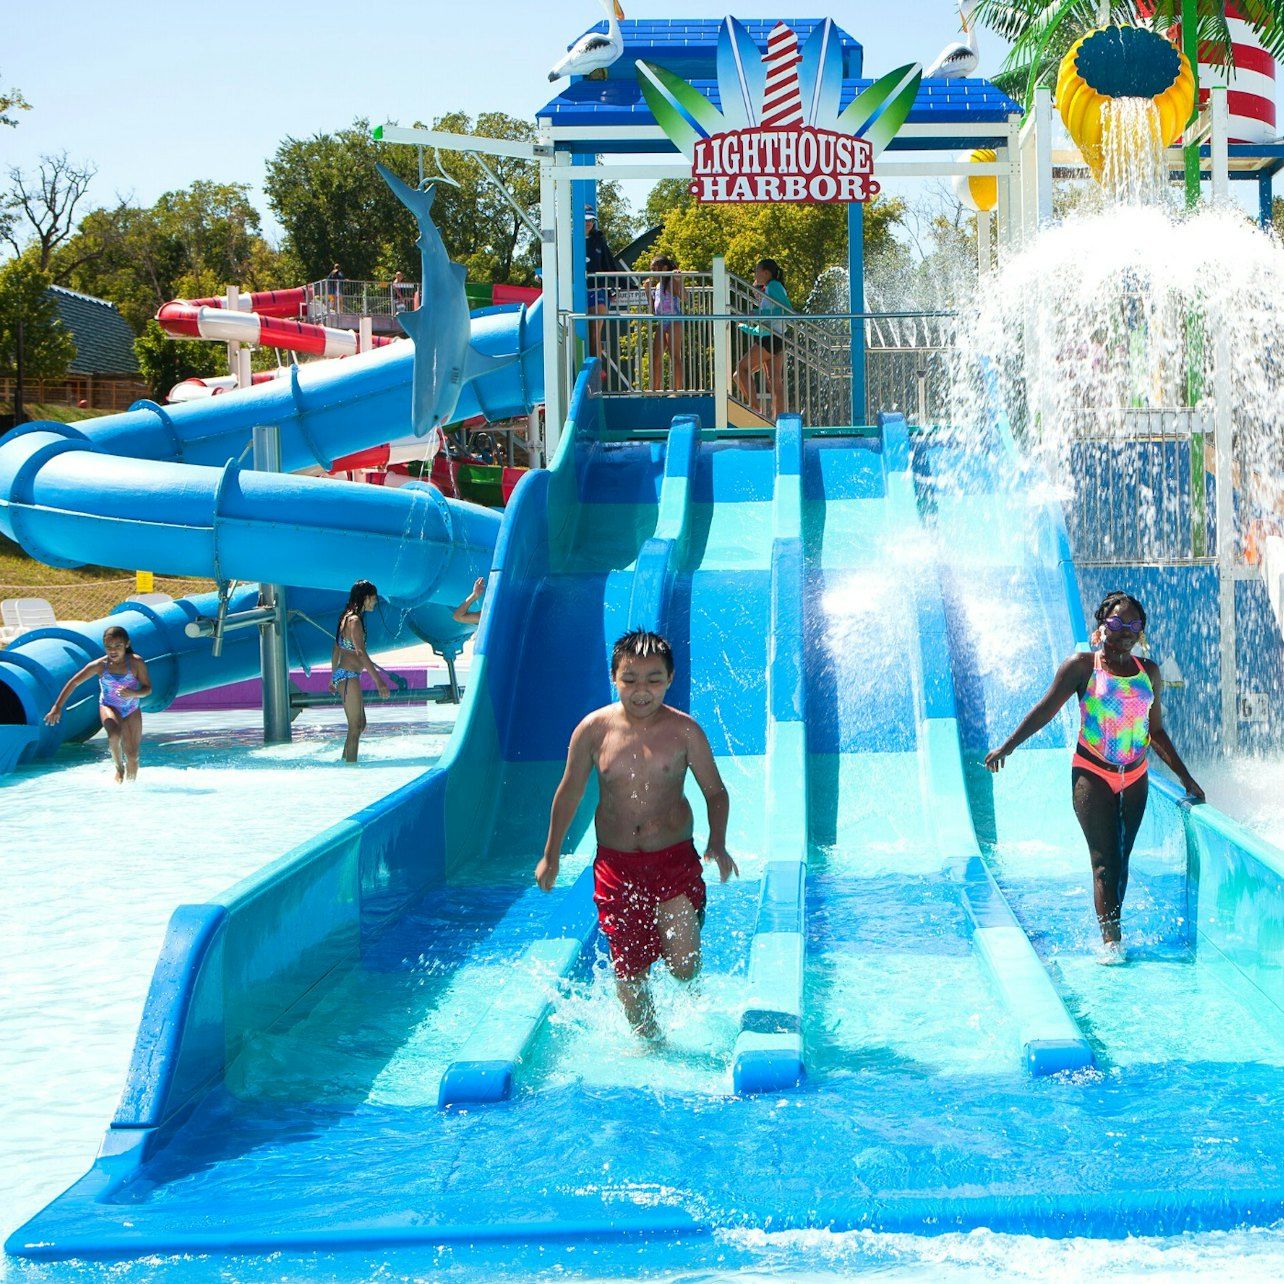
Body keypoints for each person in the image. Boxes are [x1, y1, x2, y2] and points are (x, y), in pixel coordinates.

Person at [535, 630, 738, 1037]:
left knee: (683, 966)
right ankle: (649, 1041)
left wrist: (717, 842)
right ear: (614, 677)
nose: (641, 690)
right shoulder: (594, 730)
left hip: (673, 861)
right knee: (629, 967)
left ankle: (688, 988)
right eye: (629, 679)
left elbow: (715, 792)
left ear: (670, 678)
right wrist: (551, 854)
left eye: (654, 679)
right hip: (617, 866)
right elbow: (570, 791)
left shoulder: (684, 731)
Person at [984, 592, 1204, 963]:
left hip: (1135, 776)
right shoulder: (1083, 667)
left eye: (1134, 625)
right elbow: (1046, 710)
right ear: (1102, 625)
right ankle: (1111, 943)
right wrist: (1008, 746)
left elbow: (1155, 731)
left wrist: (1186, 778)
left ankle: (1113, 925)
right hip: (1092, 773)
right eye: (1117, 623)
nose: (1125, 631)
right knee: (1104, 861)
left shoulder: (1148, 672)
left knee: (1122, 859)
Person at [44, 625, 152, 783]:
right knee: (114, 735)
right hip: (109, 706)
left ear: (127, 644)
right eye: (108, 647)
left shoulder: (136, 662)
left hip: (131, 708)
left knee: (133, 756)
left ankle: (131, 786)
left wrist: (133, 693)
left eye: (117, 646)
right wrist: (57, 707)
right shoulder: (100, 665)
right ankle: (119, 767)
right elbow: (74, 682)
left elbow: (147, 689)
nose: (113, 651)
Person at [332, 580, 391, 763]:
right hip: (348, 676)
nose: (375, 602)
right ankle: (350, 768)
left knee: (359, 724)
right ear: (365, 598)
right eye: (373, 598)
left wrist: (333, 677)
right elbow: (360, 652)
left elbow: (336, 648)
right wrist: (379, 681)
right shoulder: (355, 621)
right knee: (355, 726)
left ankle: (344, 762)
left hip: (345, 676)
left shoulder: (346, 617)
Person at [735, 259, 791, 420]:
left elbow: (786, 310)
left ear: (766, 273)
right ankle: (779, 419)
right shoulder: (771, 288)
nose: (755, 275)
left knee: (741, 369)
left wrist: (757, 314)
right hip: (776, 336)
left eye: (756, 271)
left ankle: (755, 409)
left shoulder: (773, 285)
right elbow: (770, 313)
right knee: (773, 381)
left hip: (771, 337)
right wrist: (754, 316)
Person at [647, 255, 685, 393]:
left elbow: (684, 297)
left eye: (655, 269)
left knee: (674, 356)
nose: (652, 272)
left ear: (664, 268)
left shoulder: (670, 281)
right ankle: (655, 391)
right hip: (662, 321)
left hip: (674, 319)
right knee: (656, 357)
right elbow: (653, 310)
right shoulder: (658, 286)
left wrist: (679, 281)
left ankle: (676, 391)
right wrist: (647, 292)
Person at [584, 207, 618, 358]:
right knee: (581, 332)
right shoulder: (569, 239)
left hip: (597, 290)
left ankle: (596, 367)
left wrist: (614, 287)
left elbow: (609, 265)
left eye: (591, 220)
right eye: (585, 219)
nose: (588, 223)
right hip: (577, 291)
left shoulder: (598, 240)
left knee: (595, 332)